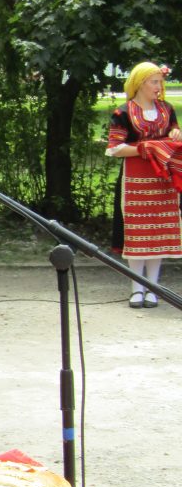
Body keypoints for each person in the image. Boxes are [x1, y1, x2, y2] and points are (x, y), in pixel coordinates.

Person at [107, 61, 182, 308]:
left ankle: (153, 287)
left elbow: (174, 134)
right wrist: (144, 148)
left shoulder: (167, 110)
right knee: (137, 233)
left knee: (157, 233)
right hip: (136, 180)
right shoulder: (123, 112)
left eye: (160, 82)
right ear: (140, 83)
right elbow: (115, 148)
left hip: (163, 179)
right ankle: (136, 288)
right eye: (154, 82)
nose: (159, 87)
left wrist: (175, 134)